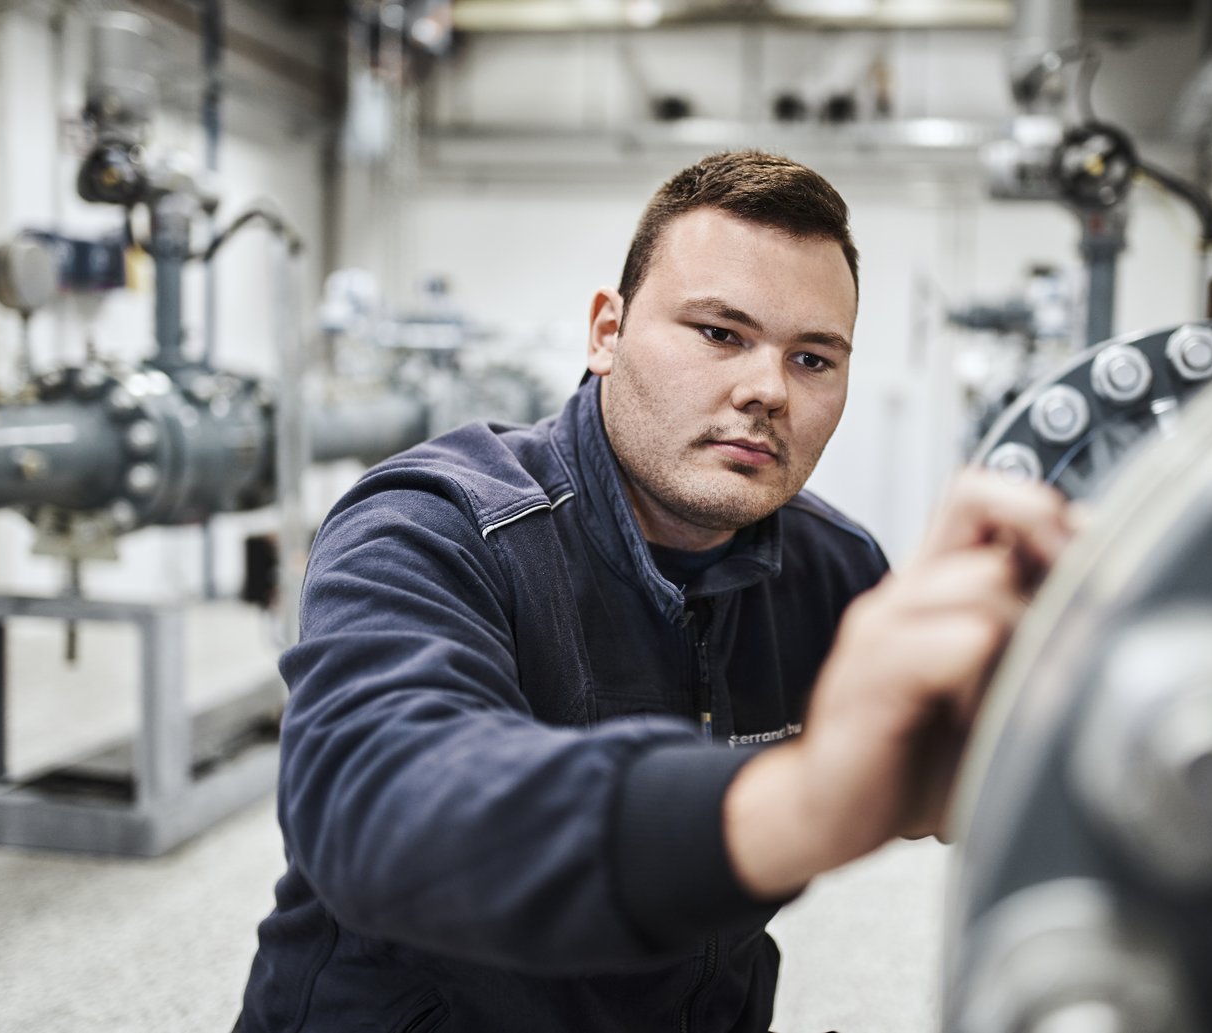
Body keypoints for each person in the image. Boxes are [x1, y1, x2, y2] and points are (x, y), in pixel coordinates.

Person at [235, 150, 1074, 1033]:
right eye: (720, 333)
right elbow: (379, 808)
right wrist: (793, 802)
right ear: (608, 330)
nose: (766, 390)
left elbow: (954, 782)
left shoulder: (832, 569)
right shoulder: (431, 526)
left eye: (814, 358)